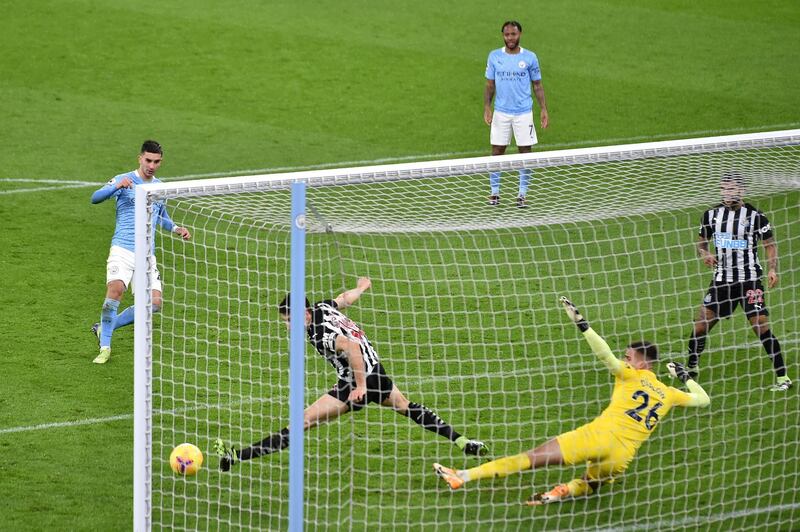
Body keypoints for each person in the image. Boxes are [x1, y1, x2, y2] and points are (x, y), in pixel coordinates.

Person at [433, 297, 710, 505]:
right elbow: (703, 399)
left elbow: (606, 357)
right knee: (591, 484)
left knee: (530, 459)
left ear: (642, 363)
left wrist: (582, 324)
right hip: (621, 457)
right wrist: (684, 375)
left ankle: (463, 476)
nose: (625, 359)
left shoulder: (630, 375)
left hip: (597, 437)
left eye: (629, 357)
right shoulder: (669, 394)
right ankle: (561, 492)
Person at [214, 277, 487, 471]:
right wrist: (361, 287)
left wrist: (359, 386)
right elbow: (344, 299)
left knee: (303, 421)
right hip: (376, 371)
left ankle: (237, 457)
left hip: (355, 382)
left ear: (304, 314)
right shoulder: (322, 307)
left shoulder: (319, 334)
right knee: (406, 407)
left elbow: (351, 346)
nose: (287, 327)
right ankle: (463, 441)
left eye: (289, 320)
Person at [685, 172, 791, 391]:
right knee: (701, 324)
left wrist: (772, 269)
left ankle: (783, 378)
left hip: (750, 280)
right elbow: (702, 243)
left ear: (742, 191)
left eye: (732, 189)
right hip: (722, 281)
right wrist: (705, 254)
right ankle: (692, 366)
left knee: (760, 326)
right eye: (724, 188)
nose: (727, 193)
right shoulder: (711, 215)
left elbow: (769, 244)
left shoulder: (755, 216)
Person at [89, 140, 191, 364]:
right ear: (140, 158)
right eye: (148, 160)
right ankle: (105, 347)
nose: (151, 165)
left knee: (154, 304)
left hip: (147, 254)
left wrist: (175, 228)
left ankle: (104, 327)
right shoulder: (124, 179)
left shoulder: (159, 187)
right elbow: (95, 198)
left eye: (156, 162)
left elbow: (161, 216)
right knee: (114, 292)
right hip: (122, 249)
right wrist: (116, 187)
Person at [484, 20, 549, 208]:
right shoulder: (494, 56)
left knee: (525, 153)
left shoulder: (530, 57)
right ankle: (495, 193)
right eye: (507, 34)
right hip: (501, 113)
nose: (510, 38)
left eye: (513, 34)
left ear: (519, 34)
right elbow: (490, 84)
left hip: (523, 113)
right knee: (497, 152)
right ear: (503, 36)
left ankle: (522, 194)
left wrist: (543, 108)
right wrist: (487, 107)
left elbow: (537, 85)